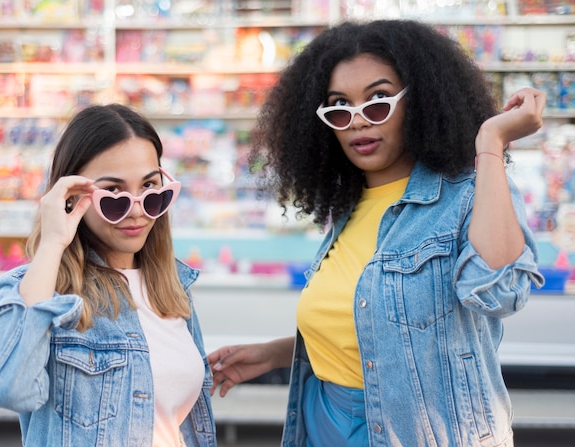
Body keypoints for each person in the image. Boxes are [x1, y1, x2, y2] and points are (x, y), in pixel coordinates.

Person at [208, 19, 546, 447]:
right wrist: (277, 353)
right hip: (322, 420)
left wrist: (491, 143)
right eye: (339, 107)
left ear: (420, 101)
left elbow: (498, 293)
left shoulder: (467, 194)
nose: (358, 121)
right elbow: (374, 320)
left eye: (379, 100)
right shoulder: (349, 207)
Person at [0, 104, 217, 447]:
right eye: (113, 194)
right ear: (70, 196)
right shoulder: (42, 290)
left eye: (151, 188)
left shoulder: (173, 289)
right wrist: (53, 242)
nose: (138, 209)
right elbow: (2, 385)